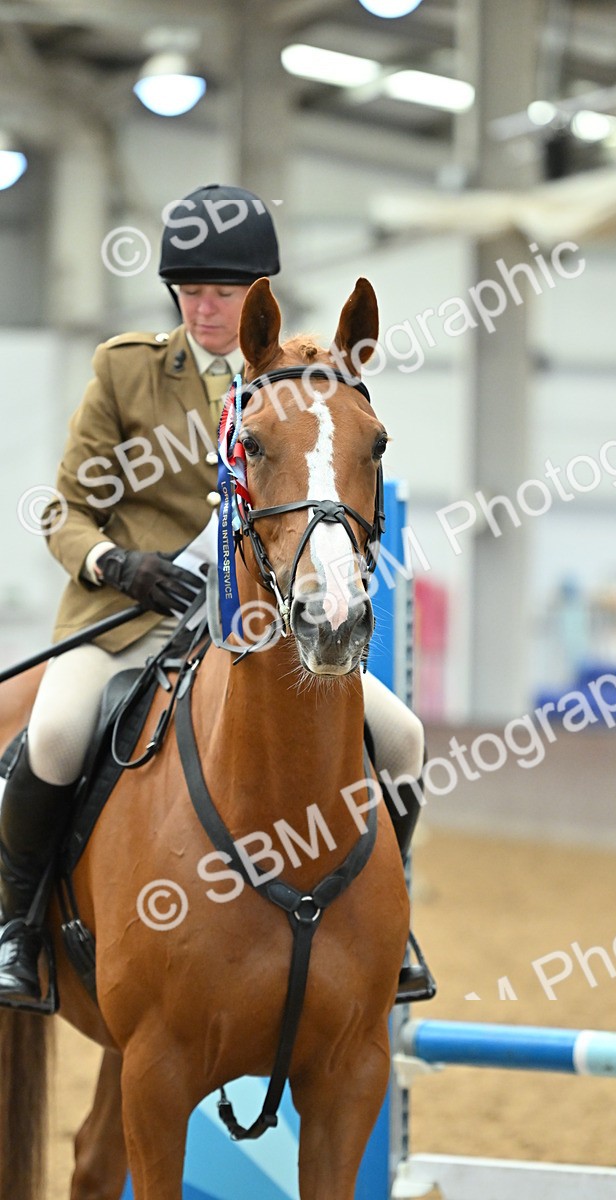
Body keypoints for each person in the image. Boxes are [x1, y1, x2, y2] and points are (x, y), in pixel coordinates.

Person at [0, 183, 433, 1008]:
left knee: (404, 737)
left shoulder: (299, 383)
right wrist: (116, 564)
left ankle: (392, 918)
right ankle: (17, 929)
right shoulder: (127, 370)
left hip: (256, 624)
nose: (205, 309)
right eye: (191, 291)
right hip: (128, 620)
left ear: (257, 299)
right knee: (51, 737)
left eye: (224, 294)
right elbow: (65, 510)